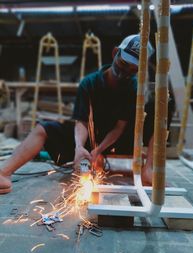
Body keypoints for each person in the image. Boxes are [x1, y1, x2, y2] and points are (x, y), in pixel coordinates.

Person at [0, 34, 174, 194]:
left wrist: (98, 151)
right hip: (90, 139)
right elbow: (82, 121)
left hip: (118, 141)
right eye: (123, 64)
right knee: (43, 128)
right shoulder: (89, 83)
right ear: (115, 53)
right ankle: (4, 172)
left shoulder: (134, 88)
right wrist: (79, 147)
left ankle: (149, 170)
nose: (124, 72)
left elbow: (119, 127)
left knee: (163, 102)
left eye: (132, 70)